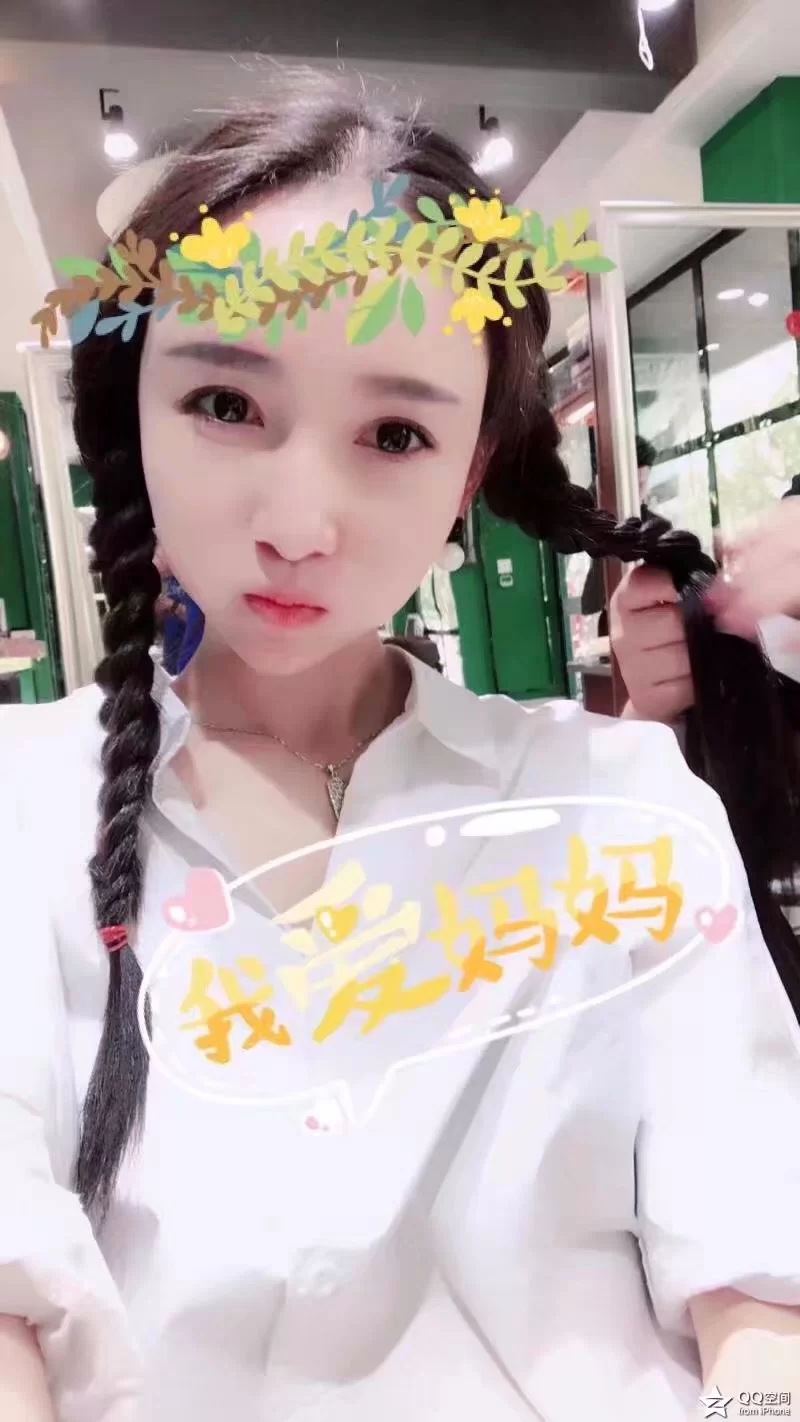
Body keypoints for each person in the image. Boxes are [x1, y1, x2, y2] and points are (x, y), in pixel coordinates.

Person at [2, 86, 800, 1422]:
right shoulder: (20, 811)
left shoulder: (618, 809)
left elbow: (759, 1283)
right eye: (225, 401)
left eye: (393, 434)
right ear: (132, 406)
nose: (300, 523)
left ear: (469, 471)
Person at [580, 435, 656, 635]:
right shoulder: (596, 512)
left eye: (642, 484)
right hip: (608, 612)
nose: (639, 494)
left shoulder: (654, 524)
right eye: (634, 485)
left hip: (645, 615)